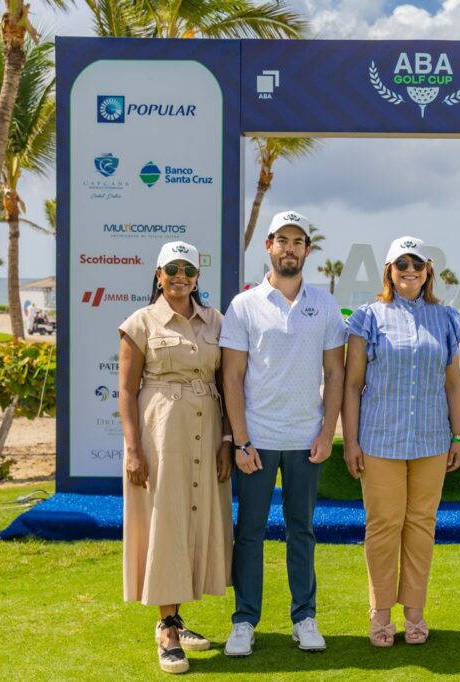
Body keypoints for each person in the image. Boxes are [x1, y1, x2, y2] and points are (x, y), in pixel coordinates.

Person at [220, 210, 347, 656]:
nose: (289, 249)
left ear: (307, 250)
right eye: (282, 241)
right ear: (269, 246)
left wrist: (327, 432)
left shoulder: (325, 305)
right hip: (256, 439)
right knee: (249, 532)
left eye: (297, 242)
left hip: (305, 439)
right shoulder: (244, 305)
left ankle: (304, 618)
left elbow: (336, 373)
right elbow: (232, 377)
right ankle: (244, 621)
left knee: (301, 532)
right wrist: (240, 440)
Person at [342, 236, 460, 647]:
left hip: (432, 441)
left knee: (421, 525)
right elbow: (353, 385)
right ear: (389, 271)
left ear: (427, 270)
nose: (409, 271)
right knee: (383, 525)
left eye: (417, 264)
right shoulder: (368, 317)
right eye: (401, 264)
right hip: (379, 440)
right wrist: (351, 442)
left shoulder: (445, 318)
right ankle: (380, 612)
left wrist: (459, 435)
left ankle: (414, 610)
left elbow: (452, 384)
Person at [119, 240, 233, 675]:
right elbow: (126, 391)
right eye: (172, 269)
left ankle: (176, 617)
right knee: (166, 520)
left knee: (193, 518)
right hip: (161, 431)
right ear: (158, 275)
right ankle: (166, 628)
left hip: (207, 429)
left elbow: (227, 383)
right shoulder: (140, 322)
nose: (180, 276)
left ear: (197, 276)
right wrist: (133, 450)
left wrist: (227, 440)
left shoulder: (216, 321)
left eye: (188, 268)